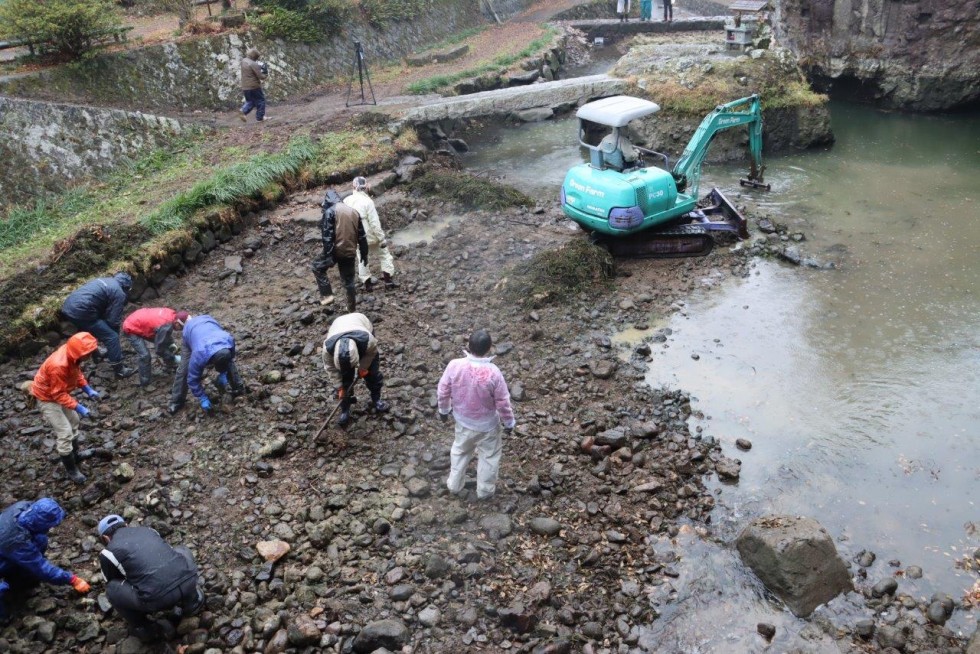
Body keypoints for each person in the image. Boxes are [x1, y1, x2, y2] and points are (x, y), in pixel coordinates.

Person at [97, 515, 205, 642]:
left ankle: (144, 628)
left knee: (111, 589)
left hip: (157, 599)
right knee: (181, 549)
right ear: (126, 525)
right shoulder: (148, 530)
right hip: (188, 580)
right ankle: (192, 600)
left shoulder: (108, 552)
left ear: (105, 538)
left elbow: (114, 580)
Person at [437, 329, 516, 501]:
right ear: (489, 348)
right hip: (488, 425)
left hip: (463, 421)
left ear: (468, 346)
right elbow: (503, 402)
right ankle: (485, 491)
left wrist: (443, 410)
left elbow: (443, 390)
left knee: (460, 451)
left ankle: (454, 485)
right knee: (489, 456)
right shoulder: (494, 372)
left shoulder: (454, 365)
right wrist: (509, 422)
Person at [0, 498, 91, 623]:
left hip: (6, 549)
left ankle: (22, 579)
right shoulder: (16, 541)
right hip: (6, 549)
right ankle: (3, 618)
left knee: (40, 539)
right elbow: (42, 568)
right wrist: (72, 579)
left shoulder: (21, 507)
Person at [28, 332, 101, 484]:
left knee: (73, 421)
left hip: (59, 392)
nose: (89, 356)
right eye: (87, 353)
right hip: (47, 397)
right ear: (78, 353)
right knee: (65, 432)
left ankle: (76, 454)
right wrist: (79, 407)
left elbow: (76, 373)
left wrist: (87, 389)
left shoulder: (72, 356)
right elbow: (58, 394)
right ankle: (72, 470)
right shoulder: (58, 365)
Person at [61, 272, 136, 379]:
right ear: (126, 287)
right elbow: (113, 320)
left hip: (69, 307)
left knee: (88, 331)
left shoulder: (105, 280)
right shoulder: (119, 292)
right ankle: (119, 370)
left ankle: (97, 354)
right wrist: (114, 336)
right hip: (82, 310)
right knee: (112, 337)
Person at [321, 312, 390, 427]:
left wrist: (363, 367)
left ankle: (376, 399)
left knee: (372, 374)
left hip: (361, 322)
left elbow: (371, 353)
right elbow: (331, 369)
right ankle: (345, 408)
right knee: (344, 381)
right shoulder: (328, 350)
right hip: (338, 326)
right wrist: (339, 387)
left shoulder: (368, 340)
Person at [168, 315, 246, 414]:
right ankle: (176, 401)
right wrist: (202, 397)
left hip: (209, 322)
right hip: (190, 333)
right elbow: (192, 379)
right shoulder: (198, 355)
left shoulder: (228, 339)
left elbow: (230, 356)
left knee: (227, 359)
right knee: (184, 370)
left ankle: (237, 388)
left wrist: (224, 372)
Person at [312, 190, 369, 312]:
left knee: (317, 267)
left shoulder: (330, 211)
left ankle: (327, 295)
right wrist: (364, 253)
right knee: (349, 282)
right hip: (349, 252)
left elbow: (327, 237)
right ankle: (352, 309)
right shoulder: (354, 212)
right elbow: (362, 236)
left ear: (328, 201)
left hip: (335, 251)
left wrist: (328, 255)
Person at [344, 177, 397, 292]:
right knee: (385, 255)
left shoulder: (346, 201)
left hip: (356, 237)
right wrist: (382, 239)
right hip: (371, 236)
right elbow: (374, 223)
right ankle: (388, 282)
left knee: (362, 260)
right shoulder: (368, 202)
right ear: (367, 187)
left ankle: (368, 286)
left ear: (353, 187)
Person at [122, 308, 188, 387]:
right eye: (181, 328)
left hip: (140, 320)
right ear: (177, 323)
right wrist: (173, 358)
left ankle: (170, 364)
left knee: (165, 343)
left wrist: (171, 344)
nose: (180, 330)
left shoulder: (172, 315)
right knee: (145, 355)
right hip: (131, 327)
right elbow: (159, 349)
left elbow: (163, 333)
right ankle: (145, 383)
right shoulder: (166, 326)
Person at [239, 47, 269, 123]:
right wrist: (265, 72)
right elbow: (261, 77)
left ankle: (243, 111)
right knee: (260, 100)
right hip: (254, 86)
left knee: (250, 101)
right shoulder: (254, 64)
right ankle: (260, 117)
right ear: (255, 57)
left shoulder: (243, 61)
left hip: (245, 86)